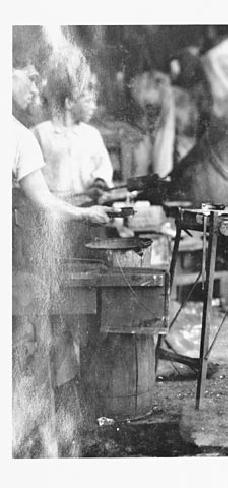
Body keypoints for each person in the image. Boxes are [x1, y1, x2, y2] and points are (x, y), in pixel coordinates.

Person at [12, 60, 111, 458]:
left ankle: (65, 396)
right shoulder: (33, 134)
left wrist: (95, 197)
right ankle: (40, 417)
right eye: (27, 78)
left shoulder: (87, 136)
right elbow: (35, 197)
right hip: (42, 230)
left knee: (64, 317)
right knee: (42, 321)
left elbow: (101, 175)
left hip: (75, 230)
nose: (34, 88)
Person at [34, 49, 114, 202]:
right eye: (86, 99)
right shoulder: (41, 134)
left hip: (88, 208)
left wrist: (99, 182)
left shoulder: (92, 135)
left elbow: (103, 167)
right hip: (55, 213)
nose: (93, 106)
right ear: (69, 102)